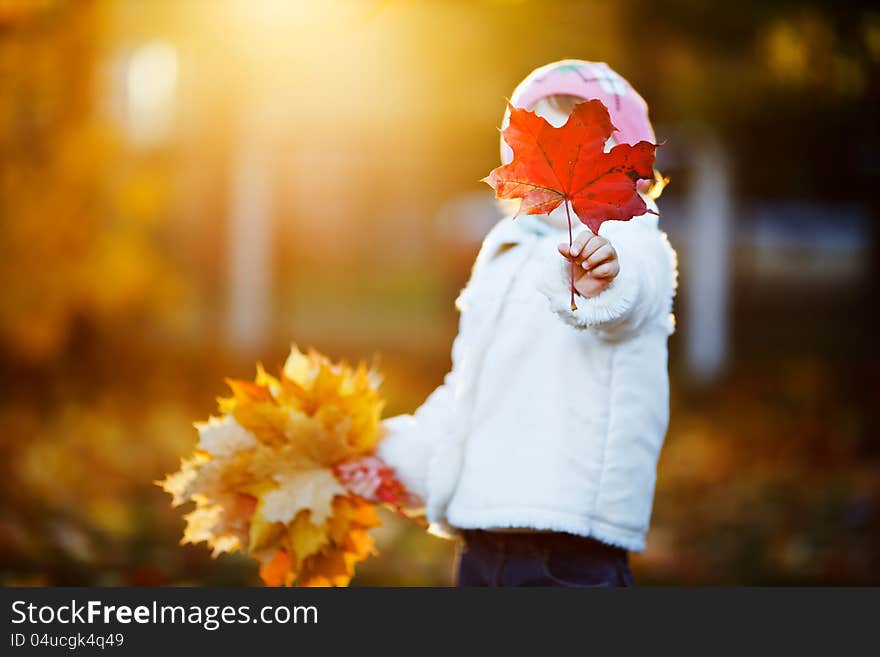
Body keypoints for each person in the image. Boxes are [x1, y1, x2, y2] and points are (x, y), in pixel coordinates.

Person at [341, 60, 678, 587]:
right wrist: (393, 457)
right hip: (482, 536)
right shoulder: (504, 254)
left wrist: (604, 274)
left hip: (568, 540)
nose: (560, 168)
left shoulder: (633, 241)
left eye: (586, 150)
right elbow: (470, 389)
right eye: (541, 145)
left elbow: (637, 294)